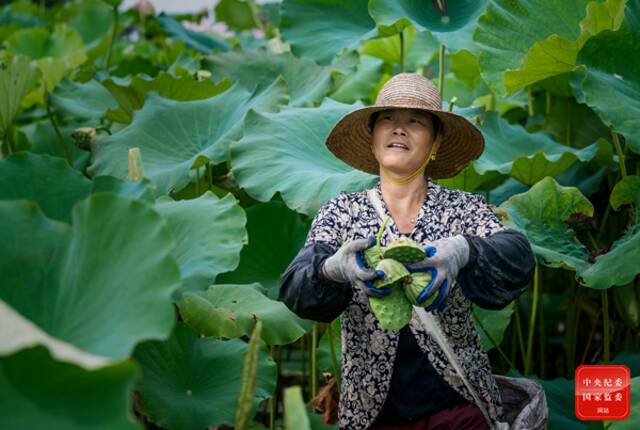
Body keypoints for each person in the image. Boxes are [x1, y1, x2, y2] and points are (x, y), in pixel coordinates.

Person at [279, 73, 538, 430]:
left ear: (435, 143)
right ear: (372, 140)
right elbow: (294, 286)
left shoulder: (461, 209)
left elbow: (518, 257)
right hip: (371, 413)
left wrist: (464, 249)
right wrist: (332, 269)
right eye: (388, 119)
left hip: (459, 409)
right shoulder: (342, 211)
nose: (399, 129)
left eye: (414, 122)